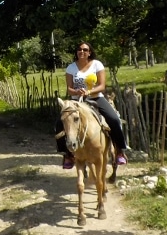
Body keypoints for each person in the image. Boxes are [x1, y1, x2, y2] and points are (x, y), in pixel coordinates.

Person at [55, 41, 130, 169]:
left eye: (85, 50)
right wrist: (77, 92)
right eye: (79, 49)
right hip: (77, 101)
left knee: (114, 119)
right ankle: (67, 155)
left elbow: (102, 86)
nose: (82, 51)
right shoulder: (71, 68)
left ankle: (119, 151)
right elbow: (69, 89)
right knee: (59, 123)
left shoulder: (97, 64)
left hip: (96, 98)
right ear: (76, 52)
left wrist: (89, 92)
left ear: (89, 52)